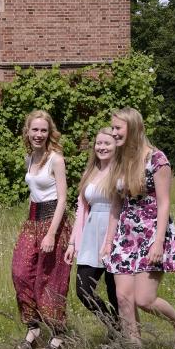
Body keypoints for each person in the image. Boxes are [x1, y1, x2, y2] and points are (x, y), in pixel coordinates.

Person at [100, 107, 175, 349]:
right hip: (125, 236)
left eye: (118, 128)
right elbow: (116, 204)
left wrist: (158, 243)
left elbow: (164, 203)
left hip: (152, 233)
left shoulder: (157, 159)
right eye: (113, 128)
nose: (114, 132)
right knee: (123, 299)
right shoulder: (119, 160)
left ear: (133, 128)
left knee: (144, 299)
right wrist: (108, 241)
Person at [11, 109, 73, 349]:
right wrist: (30, 225)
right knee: (21, 274)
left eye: (43, 130)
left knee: (50, 280)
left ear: (49, 133)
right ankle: (34, 326)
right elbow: (33, 194)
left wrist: (51, 233)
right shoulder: (30, 158)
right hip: (32, 222)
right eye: (34, 129)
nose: (38, 134)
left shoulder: (55, 158)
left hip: (53, 224)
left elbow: (62, 199)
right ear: (27, 131)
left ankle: (58, 334)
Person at [64, 127, 119, 333]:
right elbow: (81, 210)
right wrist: (72, 242)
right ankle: (112, 325)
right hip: (91, 236)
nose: (101, 147)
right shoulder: (91, 171)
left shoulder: (121, 171)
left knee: (114, 291)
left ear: (116, 146)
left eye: (107, 143)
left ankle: (119, 338)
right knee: (83, 289)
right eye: (98, 143)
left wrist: (112, 240)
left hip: (115, 234)